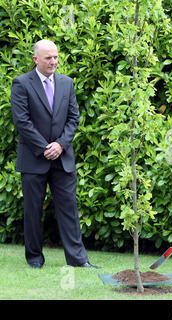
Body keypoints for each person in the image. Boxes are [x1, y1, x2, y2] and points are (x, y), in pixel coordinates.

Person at [10, 40, 100, 269]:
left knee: (69, 209)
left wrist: (59, 145)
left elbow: (73, 118)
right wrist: (44, 147)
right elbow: (22, 121)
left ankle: (79, 261)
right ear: (35, 59)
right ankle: (34, 259)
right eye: (48, 57)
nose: (53, 62)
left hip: (63, 158)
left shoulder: (66, 83)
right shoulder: (21, 83)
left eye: (56, 57)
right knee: (32, 212)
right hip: (33, 159)